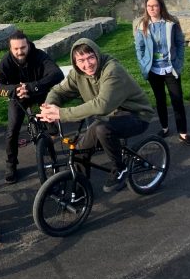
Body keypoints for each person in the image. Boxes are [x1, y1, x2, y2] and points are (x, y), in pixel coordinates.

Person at [39, 39, 155, 193]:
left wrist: (61, 114)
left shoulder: (112, 70)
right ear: (75, 61)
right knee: (80, 149)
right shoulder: (77, 74)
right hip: (108, 116)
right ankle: (80, 190)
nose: (87, 64)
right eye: (81, 60)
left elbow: (101, 105)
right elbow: (58, 91)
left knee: (102, 129)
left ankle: (120, 169)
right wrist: (49, 108)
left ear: (97, 55)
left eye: (90, 57)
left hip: (136, 115)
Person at [0, 30, 64, 183]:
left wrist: (32, 87)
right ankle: (11, 164)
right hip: (18, 97)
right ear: (10, 49)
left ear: (28, 45)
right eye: (16, 49)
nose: (20, 52)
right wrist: (15, 90)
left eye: (23, 48)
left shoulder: (39, 55)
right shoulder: (6, 61)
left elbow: (57, 74)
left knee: (51, 127)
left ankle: (49, 137)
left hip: (39, 92)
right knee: (12, 131)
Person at [133, 0, 190, 145]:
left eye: (155, 6)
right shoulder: (142, 25)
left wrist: (178, 62)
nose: (152, 9)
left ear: (161, 7)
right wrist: (143, 64)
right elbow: (139, 47)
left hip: (170, 68)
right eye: (149, 6)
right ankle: (165, 128)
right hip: (154, 70)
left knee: (177, 100)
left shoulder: (171, 23)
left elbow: (180, 43)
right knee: (160, 100)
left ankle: (183, 133)